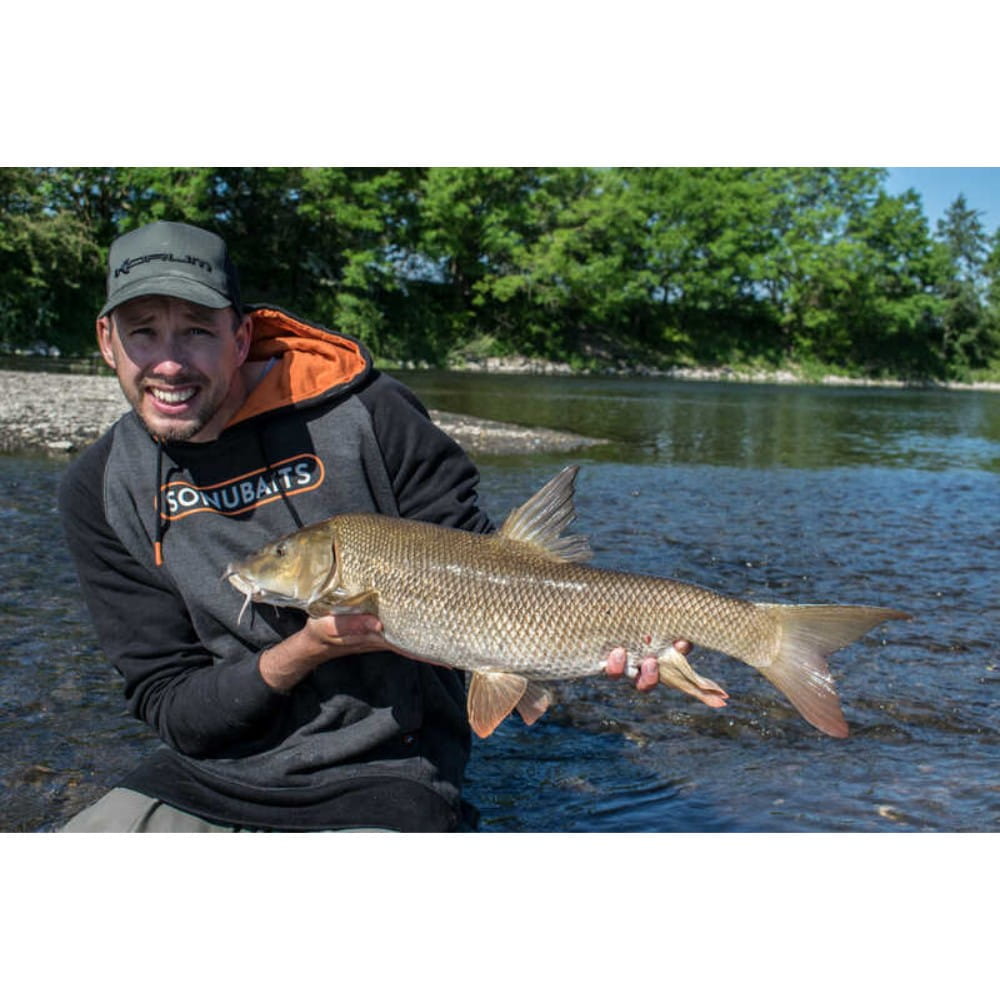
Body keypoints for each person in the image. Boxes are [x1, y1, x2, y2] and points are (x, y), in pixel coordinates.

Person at [58, 220, 688, 833]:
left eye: (197, 331)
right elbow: (171, 704)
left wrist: (590, 631)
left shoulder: (370, 415)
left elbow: (498, 574)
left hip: (389, 771)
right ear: (107, 340)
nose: (168, 364)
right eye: (143, 334)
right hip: (210, 769)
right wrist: (306, 648)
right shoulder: (102, 486)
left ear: (242, 336)